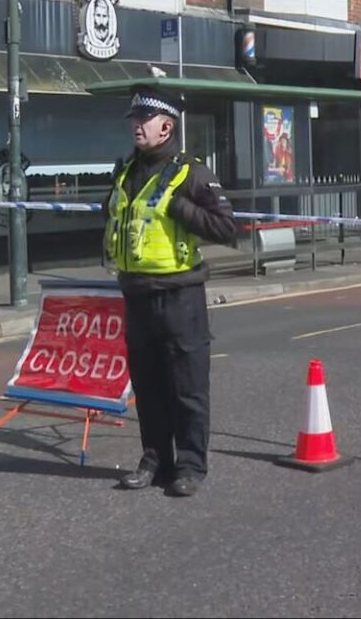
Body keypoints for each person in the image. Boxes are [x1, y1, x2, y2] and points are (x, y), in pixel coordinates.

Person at [104, 86, 236, 497]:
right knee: (148, 387)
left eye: (143, 120)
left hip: (181, 297)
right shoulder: (125, 170)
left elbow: (227, 228)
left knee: (187, 386)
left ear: (167, 126)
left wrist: (181, 207)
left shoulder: (191, 172)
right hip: (138, 294)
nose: (136, 127)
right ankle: (155, 460)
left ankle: (191, 466)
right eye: (134, 120)